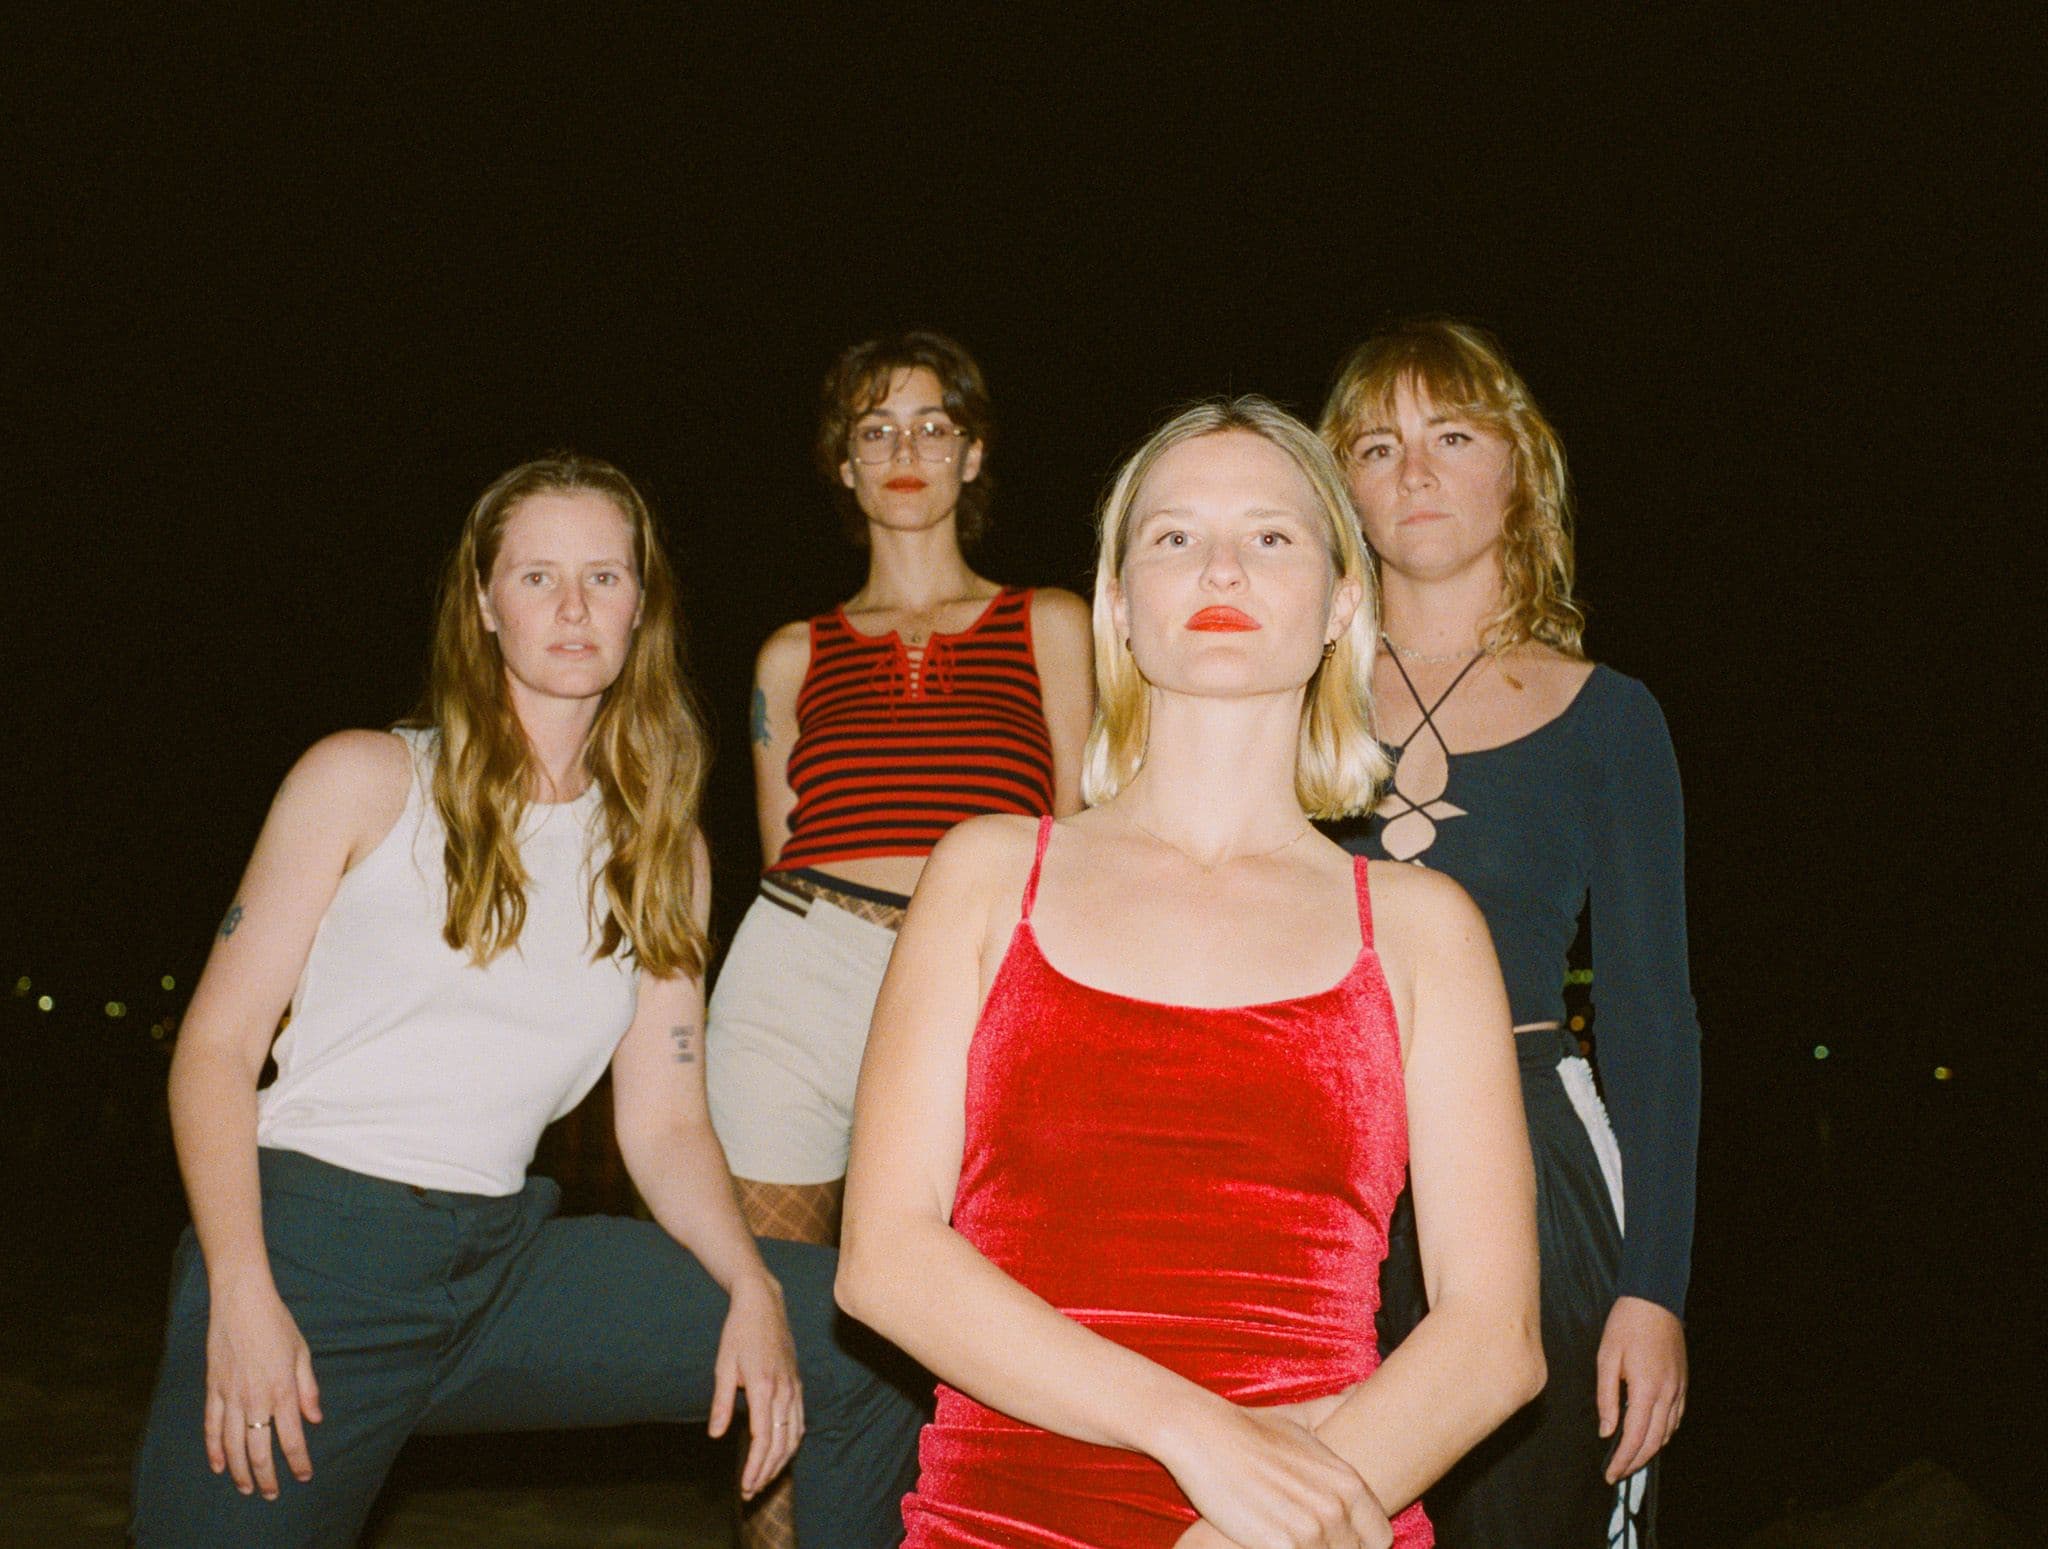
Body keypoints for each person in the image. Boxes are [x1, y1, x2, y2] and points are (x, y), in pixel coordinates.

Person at [130, 453, 920, 1548]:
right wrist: (240, 1294)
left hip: (505, 1265)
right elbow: (213, 1051)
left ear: (640, 606)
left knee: (854, 1337)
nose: (572, 606)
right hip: (316, 1256)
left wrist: (749, 1287)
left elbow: (666, 1119)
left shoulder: (660, 849)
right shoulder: (363, 779)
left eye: (604, 576)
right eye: (537, 575)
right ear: (484, 604)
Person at [838, 397, 1546, 1549]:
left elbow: (1492, 1335)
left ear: (1340, 605)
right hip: (999, 1518)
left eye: (1271, 536)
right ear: (1118, 607)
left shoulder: (1420, 927)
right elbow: (883, 1259)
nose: (1220, 562)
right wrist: (1197, 1432)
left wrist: (1250, 1528)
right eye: (1172, 535)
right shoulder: (986, 873)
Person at [1319, 319, 1700, 1547]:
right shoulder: (1284, 704)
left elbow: (1650, 1017)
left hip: (1530, 1153)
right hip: (1316, 1168)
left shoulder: (1610, 718)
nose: (1413, 471)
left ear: (1516, 469)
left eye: (1451, 435)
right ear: (1340, 491)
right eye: (1376, 445)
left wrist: (1655, 1289)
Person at [709, 328, 1093, 1249]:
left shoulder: (1050, 624)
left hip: (981, 972)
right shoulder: (792, 655)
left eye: (933, 425)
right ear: (845, 466)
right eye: (877, 431)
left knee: (986, 1276)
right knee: (781, 1295)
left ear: (973, 453)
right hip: (798, 975)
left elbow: (1080, 840)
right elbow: (779, 850)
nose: (907, 450)